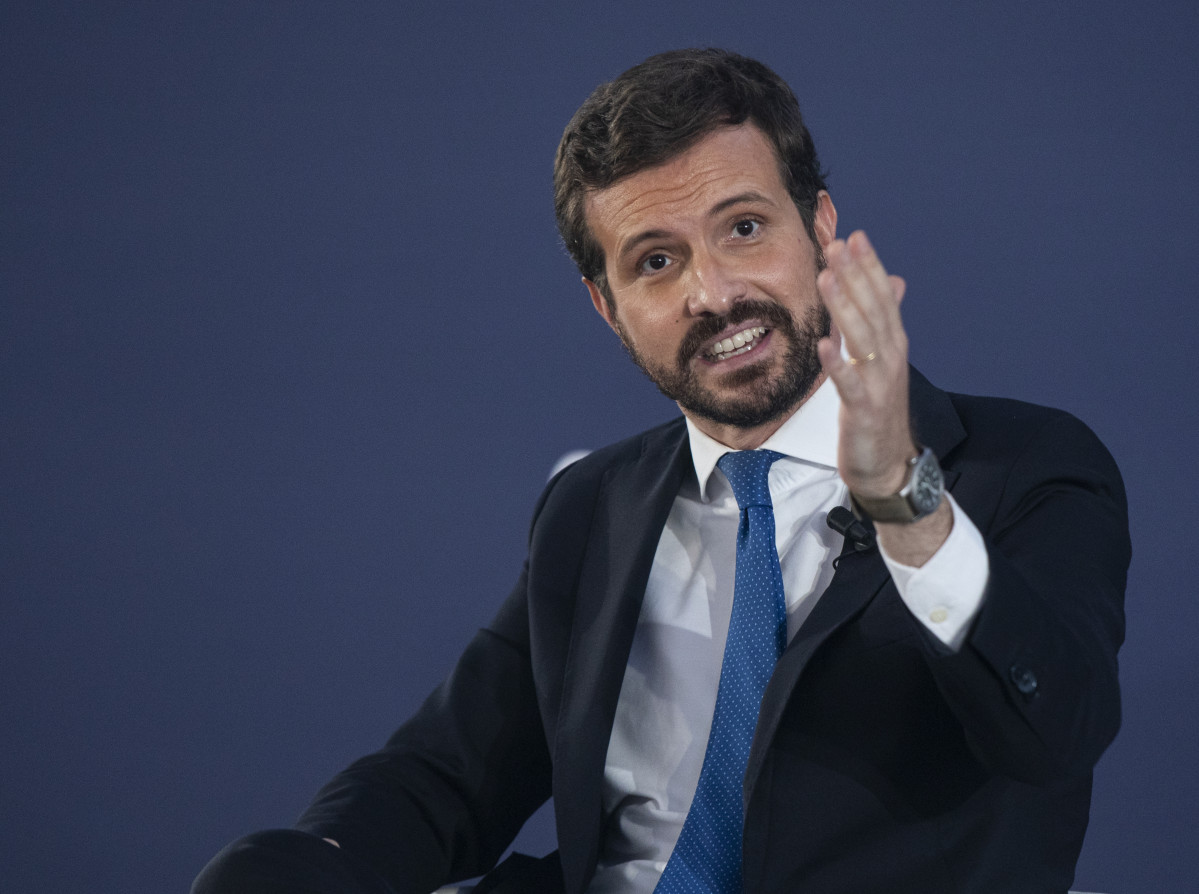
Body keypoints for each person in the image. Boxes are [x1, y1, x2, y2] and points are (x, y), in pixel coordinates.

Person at [194, 49, 1129, 894]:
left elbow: (1054, 730)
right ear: (607, 306)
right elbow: (450, 773)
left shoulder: (1021, 466)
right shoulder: (591, 506)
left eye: (744, 228)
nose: (711, 292)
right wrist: (318, 869)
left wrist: (902, 502)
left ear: (819, 227)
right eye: (654, 261)